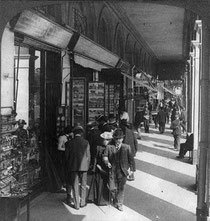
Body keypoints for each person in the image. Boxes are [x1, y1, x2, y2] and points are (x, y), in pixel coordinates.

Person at [103, 128, 133, 211]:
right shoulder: (109, 147)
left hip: (123, 171)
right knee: (112, 187)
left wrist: (131, 170)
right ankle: (115, 199)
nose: (118, 140)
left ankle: (119, 204)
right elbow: (105, 156)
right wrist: (107, 162)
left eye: (120, 139)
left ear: (122, 139)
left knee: (121, 188)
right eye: (116, 139)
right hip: (112, 170)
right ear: (114, 139)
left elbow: (131, 160)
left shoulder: (127, 147)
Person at [65, 125, 90, 210]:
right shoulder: (86, 142)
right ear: (81, 133)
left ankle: (76, 205)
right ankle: (82, 202)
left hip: (73, 167)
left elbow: (66, 157)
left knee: (75, 185)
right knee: (83, 184)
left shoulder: (69, 143)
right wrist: (87, 165)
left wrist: (68, 166)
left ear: (74, 133)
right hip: (84, 167)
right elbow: (88, 156)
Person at [93, 131, 113, 205]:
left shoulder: (111, 148)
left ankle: (107, 199)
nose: (105, 141)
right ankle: (100, 200)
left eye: (108, 140)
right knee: (100, 184)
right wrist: (96, 166)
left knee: (108, 184)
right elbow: (95, 158)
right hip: (100, 168)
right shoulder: (98, 147)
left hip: (107, 168)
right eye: (105, 139)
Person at [57, 125, 73, 191]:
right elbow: (59, 147)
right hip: (63, 156)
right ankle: (63, 183)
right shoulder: (62, 137)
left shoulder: (70, 137)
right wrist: (66, 150)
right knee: (63, 170)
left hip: (68, 156)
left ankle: (67, 183)